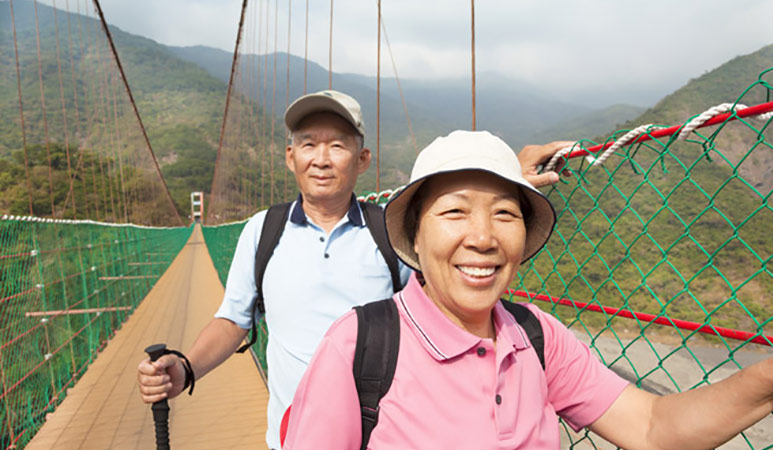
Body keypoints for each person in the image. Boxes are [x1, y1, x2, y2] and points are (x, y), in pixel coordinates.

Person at [282, 130, 773, 449]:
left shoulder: (535, 336)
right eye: (455, 211)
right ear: (415, 234)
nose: (482, 238)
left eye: (505, 214)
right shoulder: (361, 346)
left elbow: (653, 428)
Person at [137, 90, 568, 449]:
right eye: (308, 144)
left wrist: (507, 176)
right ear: (290, 157)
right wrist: (187, 367)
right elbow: (233, 319)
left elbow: (446, 294)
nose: (321, 159)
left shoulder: (391, 233)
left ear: (362, 160)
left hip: (387, 433)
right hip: (292, 436)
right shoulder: (262, 231)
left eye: (337, 145)